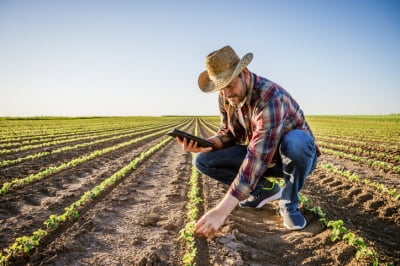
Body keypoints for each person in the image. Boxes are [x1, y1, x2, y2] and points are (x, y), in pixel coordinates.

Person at [177, 45, 319, 236]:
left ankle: (289, 204)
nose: (226, 93)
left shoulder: (269, 98)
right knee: (203, 160)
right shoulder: (226, 97)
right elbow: (229, 132)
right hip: (264, 157)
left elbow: (258, 157)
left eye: (229, 85)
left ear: (244, 73)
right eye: (220, 88)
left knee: (296, 141)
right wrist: (207, 144)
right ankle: (263, 191)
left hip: (293, 158)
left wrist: (221, 211)